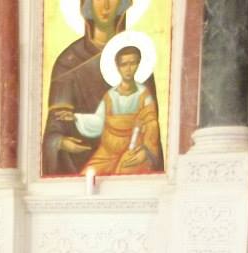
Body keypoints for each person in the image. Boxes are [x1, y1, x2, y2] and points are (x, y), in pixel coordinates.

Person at [42, 0, 162, 176]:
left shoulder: (139, 62)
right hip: (84, 168)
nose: (105, 6)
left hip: (131, 160)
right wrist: (61, 142)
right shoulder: (68, 62)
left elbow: (151, 124)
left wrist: (148, 152)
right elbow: (57, 127)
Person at [72, 44, 162, 175]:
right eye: (124, 64)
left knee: (124, 173)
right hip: (107, 153)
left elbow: (151, 124)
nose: (128, 69)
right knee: (87, 174)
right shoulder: (110, 95)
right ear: (118, 67)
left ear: (138, 64)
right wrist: (75, 117)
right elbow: (99, 121)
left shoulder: (144, 95)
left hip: (133, 148)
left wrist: (146, 152)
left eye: (132, 63)